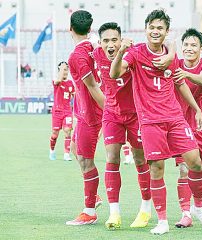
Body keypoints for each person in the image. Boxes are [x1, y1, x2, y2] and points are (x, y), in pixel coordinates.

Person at [110, 9, 202, 235]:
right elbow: (114, 73)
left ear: (166, 31)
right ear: (145, 29)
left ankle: (199, 208)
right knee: (157, 169)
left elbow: (180, 83)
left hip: (175, 118)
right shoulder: (136, 53)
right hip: (149, 122)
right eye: (152, 27)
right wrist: (120, 52)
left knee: (195, 162)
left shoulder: (172, 55)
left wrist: (197, 109)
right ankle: (162, 221)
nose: (155, 31)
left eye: (160, 28)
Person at [93, 22, 153, 229]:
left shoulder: (133, 53)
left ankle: (146, 208)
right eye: (106, 41)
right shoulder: (96, 54)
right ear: (100, 43)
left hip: (136, 114)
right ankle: (114, 213)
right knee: (111, 157)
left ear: (121, 40)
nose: (110, 45)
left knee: (139, 159)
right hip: (111, 114)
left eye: (114, 40)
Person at [172, 28, 202, 228]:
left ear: (201, 48)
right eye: (186, 45)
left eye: (193, 45)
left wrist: (185, 73)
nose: (189, 49)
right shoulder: (175, 64)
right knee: (184, 169)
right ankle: (186, 214)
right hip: (182, 124)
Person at [65, 10, 105, 226]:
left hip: (91, 113)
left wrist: (111, 113)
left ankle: (90, 210)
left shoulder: (77, 57)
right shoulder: (92, 46)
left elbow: (93, 87)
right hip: (82, 110)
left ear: (69, 28)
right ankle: (94, 196)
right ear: (90, 28)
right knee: (74, 148)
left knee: (86, 160)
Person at [49, 62, 75, 161]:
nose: (65, 72)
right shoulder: (56, 80)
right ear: (59, 70)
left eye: (66, 69)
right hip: (57, 112)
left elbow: (75, 96)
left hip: (67, 111)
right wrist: (61, 68)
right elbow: (58, 80)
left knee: (67, 131)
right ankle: (52, 150)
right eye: (63, 69)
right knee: (55, 134)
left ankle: (66, 154)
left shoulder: (70, 83)